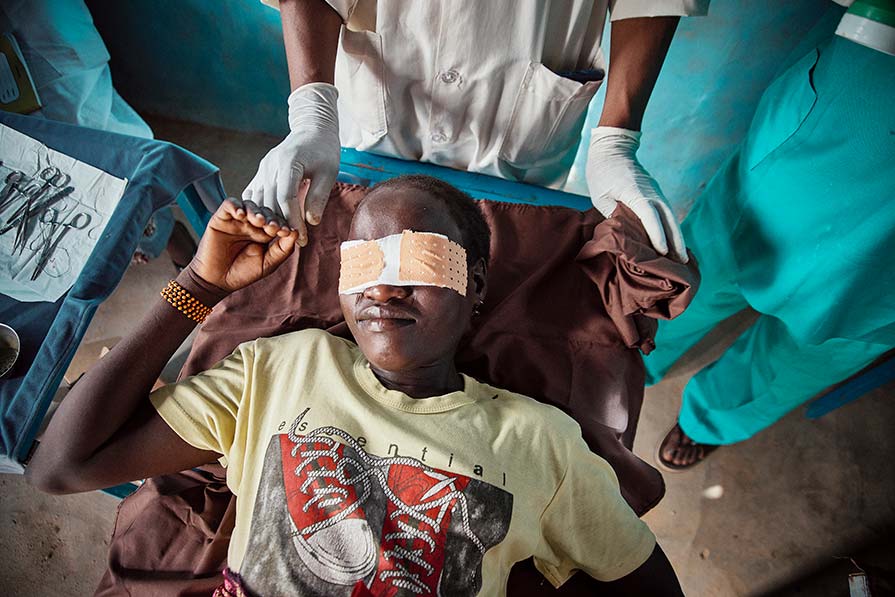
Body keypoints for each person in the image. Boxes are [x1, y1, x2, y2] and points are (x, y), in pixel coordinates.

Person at [27, 175, 685, 595]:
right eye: (362, 261)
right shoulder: (279, 367)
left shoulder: (540, 442)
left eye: (418, 258)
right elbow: (62, 465)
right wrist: (197, 288)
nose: (383, 285)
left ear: (475, 285)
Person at [245, 0, 709, 263]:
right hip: (379, 110)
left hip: (522, 132)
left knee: (503, 249)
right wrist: (312, 109)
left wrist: (616, 139)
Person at [646, 0, 895, 470]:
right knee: (714, 259)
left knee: (844, 329)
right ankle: (634, 353)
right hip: (873, 86)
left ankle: (714, 414)